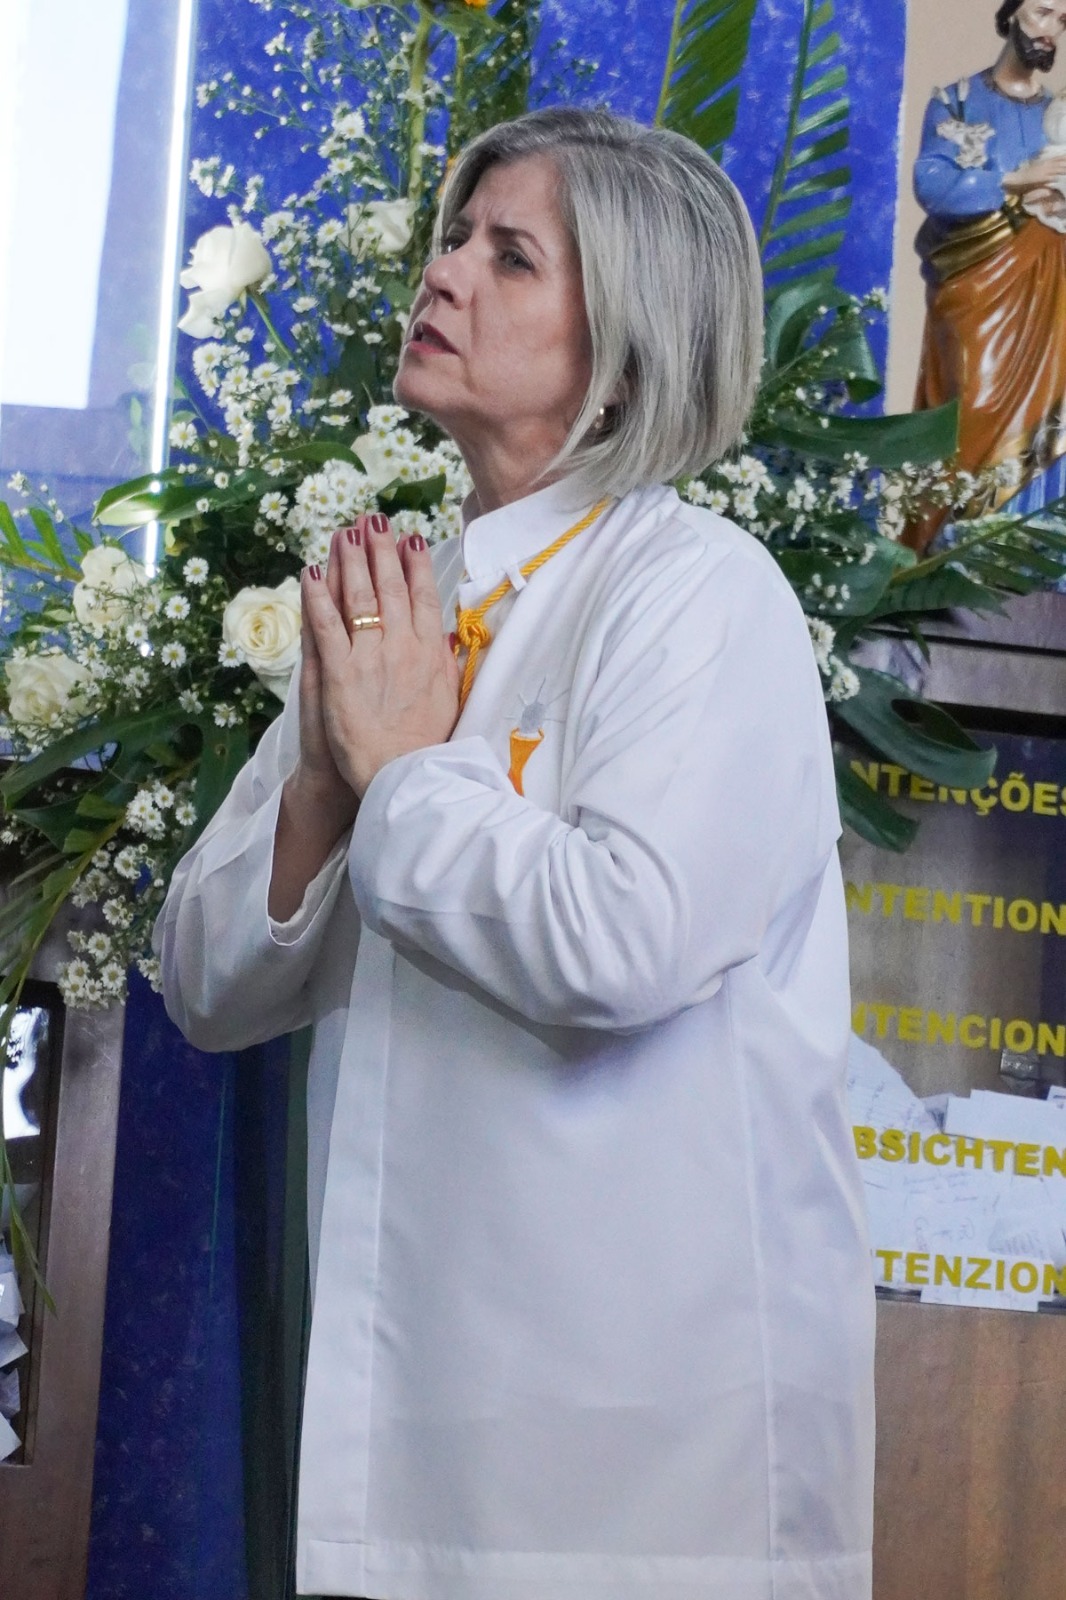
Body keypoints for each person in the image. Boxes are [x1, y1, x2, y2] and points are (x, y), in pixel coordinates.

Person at [156, 107, 875, 1600]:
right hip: (396, 1428)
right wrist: (325, 780)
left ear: (629, 345)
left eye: (510, 255)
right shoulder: (401, 599)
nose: (442, 274)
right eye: (451, 236)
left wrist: (401, 773)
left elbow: (622, 944)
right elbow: (209, 987)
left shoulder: (701, 594)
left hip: (642, 1462)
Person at [908, 0, 1066, 551]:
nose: (1051, 31)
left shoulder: (1059, 115)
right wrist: (1013, 180)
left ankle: (1028, 549)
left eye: (1063, 22)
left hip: (1051, 291)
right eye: (1043, 13)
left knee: (1051, 414)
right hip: (976, 289)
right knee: (972, 402)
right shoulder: (956, 102)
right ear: (1013, 12)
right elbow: (932, 184)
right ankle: (954, 548)